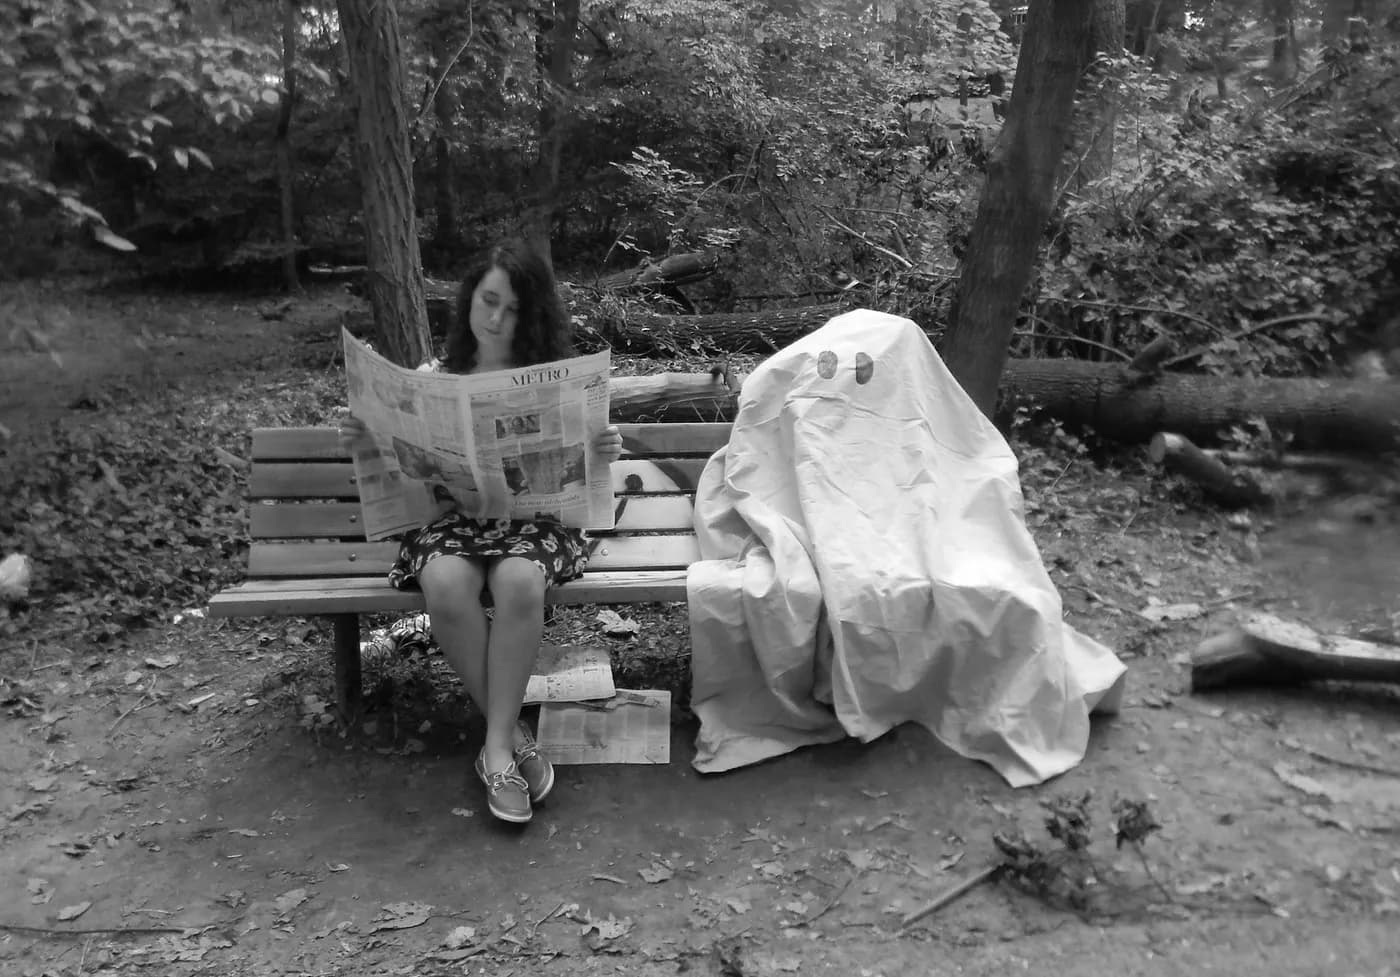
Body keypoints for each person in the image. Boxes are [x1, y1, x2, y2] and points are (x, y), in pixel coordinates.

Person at [339, 240, 624, 824]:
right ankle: (512, 736)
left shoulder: (547, 378)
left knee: (520, 581)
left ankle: (495, 752)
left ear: (532, 315)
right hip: (454, 525)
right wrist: (368, 441)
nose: (495, 319)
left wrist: (601, 450)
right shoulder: (435, 379)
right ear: (470, 298)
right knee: (444, 583)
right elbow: (410, 487)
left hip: (535, 525)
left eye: (512, 309)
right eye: (487, 301)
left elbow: (583, 484)